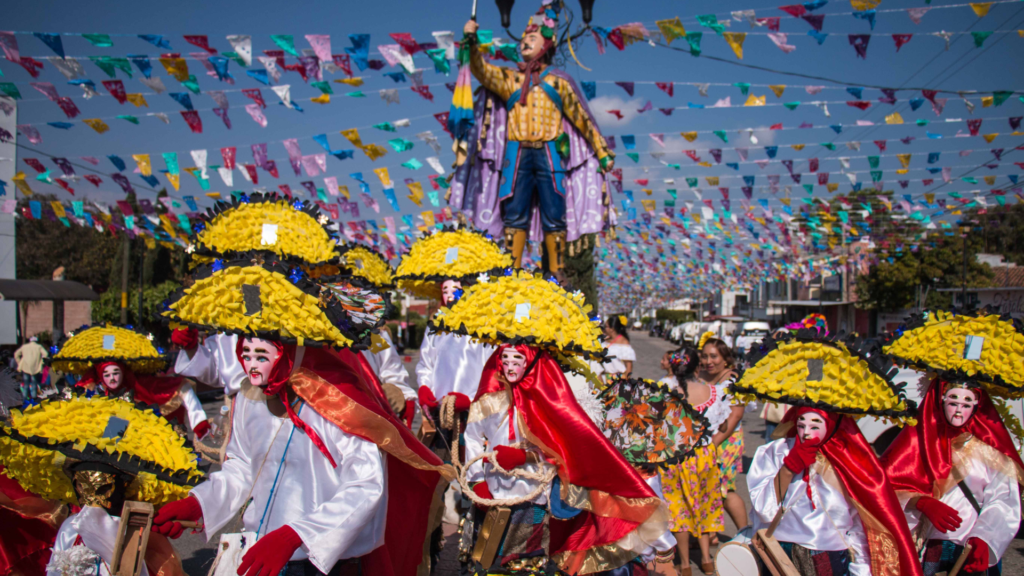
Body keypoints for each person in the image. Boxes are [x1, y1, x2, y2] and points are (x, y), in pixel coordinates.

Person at [152, 257, 451, 576]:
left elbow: (365, 484)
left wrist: (298, 534)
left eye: (262, 355)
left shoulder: (338, 403)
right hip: (261, 551)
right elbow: (241, 467)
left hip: (323, 560)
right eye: (246, 353)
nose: (252, 365)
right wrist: (198, 504)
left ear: (288, 351)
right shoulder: (249, 397)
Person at [452, 0, 615, 276]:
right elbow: (481, 70)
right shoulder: (510, 79)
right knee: (514, 213)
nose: (525, 42)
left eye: (533, 38)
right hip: (516, 155)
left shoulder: (559, 82)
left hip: (550, 153)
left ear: (546, 45)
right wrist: (469, 40)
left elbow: (582, 119)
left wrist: (601, 150)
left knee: (555, 211)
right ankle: (511, 271)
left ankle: (557, 272)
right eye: (524, 38)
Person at [0, 395, 201, 576]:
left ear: (118, 487)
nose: (93, 497)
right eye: (85, 485)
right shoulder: (71, 526)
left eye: (102, 488)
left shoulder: (130, 526)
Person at [883, 377, 1023, 575]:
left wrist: (985, 537)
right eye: (953, 402)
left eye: (966, 404)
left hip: (971, 547)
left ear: (976, 406)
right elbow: (884, 493)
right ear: (940, 401)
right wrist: (920, 502)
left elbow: (1003, 500)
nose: (958, 410)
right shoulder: (916, 444)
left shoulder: (991, 453)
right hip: (931, 545)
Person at [53, 324, 212, 440]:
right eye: (107, 375)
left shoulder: (139, 388)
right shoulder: (92, 393)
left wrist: (198, 421)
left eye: (116, 372)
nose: (113, 378)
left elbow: (182, 388)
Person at [659, 345, 728, 575]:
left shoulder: (667, 394)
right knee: (705, 504)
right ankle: (707, 559)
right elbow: (725, 425)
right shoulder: (714, 393)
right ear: (697, 365)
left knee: (679, 509)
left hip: (677, 456)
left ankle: (686, 563)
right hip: (705, 455)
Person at [694, 333, 747, 532]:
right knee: (706, 488)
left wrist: (713, 444)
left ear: (726, 359)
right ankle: (709, 535)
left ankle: (745, 534)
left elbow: (735, 416)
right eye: (705, 356)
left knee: (724, 490)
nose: (709, 361)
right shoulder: (700, 375)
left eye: (714, 357)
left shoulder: (732, 380)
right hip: (704, 438)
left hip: (726, 440)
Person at [598, 315, 635, 382]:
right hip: (605, 378)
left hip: (618, 381)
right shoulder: (606, 340)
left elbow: (629, 367)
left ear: (612, 329)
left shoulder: (623, 343)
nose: (604, 329)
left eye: (606, 326)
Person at [13, 337, 47, 403]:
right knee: (34, 383)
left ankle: (25, 399)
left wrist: (19, 362)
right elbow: (45, 354)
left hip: (25, 367)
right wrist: (41, 361)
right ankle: (34, 398)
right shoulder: (39, 347)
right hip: (35, 367)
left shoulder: (24, 346)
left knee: (26, 384)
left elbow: (16, 354)